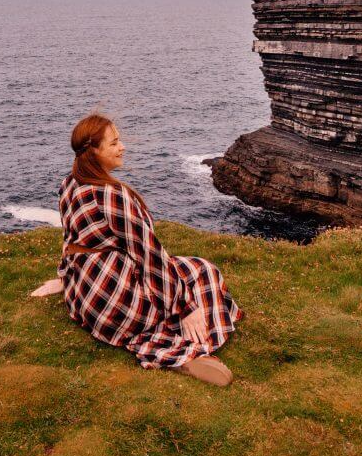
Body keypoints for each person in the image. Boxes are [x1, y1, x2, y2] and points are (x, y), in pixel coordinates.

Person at [31, 114, 244, 386]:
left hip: (85, 298)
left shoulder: (69, 184)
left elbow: (71, 239)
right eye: (114, 143)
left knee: (176, 273)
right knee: (202, 272)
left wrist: (65, 279)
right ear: (93, 152)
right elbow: (149, 256)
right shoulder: (113, 195)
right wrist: (186, 307)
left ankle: (174, 344)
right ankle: (185, 348)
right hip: (119, 302)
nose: (123, 147)